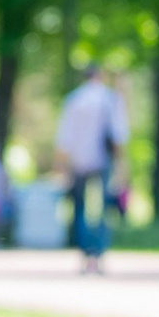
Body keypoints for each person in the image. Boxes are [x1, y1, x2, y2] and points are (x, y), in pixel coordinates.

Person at [55, 61, 130, 273]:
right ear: (101, 76)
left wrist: (61, 165)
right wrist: (122, 166)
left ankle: (83, 253)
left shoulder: (73, 100)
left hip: (79, 161)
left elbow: (64, 138)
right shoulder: (110, 99)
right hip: (103, 160)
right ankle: (99, 253)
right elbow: (118, 136)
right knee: (103, 209)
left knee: (80, 208)